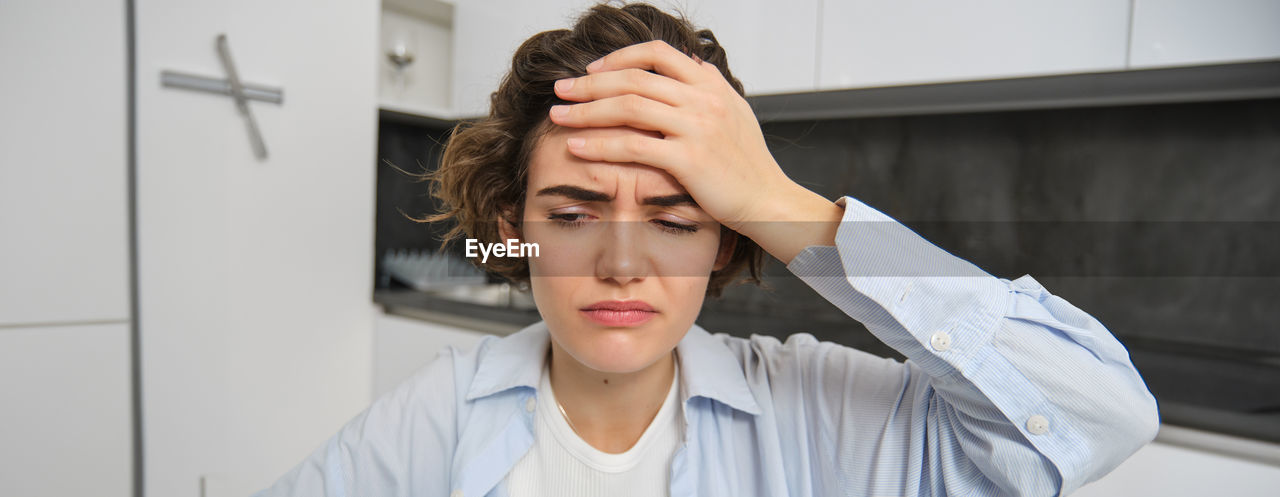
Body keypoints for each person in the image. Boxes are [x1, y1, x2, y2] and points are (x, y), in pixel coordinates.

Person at [254, 3, 1159, 496]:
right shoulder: (433, 419)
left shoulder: (825, 422)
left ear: (729, 243)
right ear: (512, 231)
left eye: (676, 219)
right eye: (571, 216)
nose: (620, 264)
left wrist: (778, 201)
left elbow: (1104, 413)